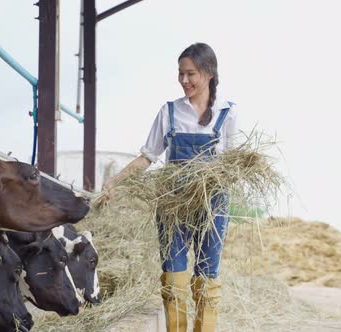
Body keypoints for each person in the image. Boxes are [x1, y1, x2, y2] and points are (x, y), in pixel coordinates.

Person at [102, 42, 239, 332]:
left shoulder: (227, 113)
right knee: (174, 280)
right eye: (181, 74)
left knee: (207, 280)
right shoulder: (170, 112)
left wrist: (212, 179)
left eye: (191, 74)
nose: (184, 80)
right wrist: (115, 181)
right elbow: (148, 156)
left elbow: (232, 166)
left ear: (209, 73)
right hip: (173, 204)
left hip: (211, 205)